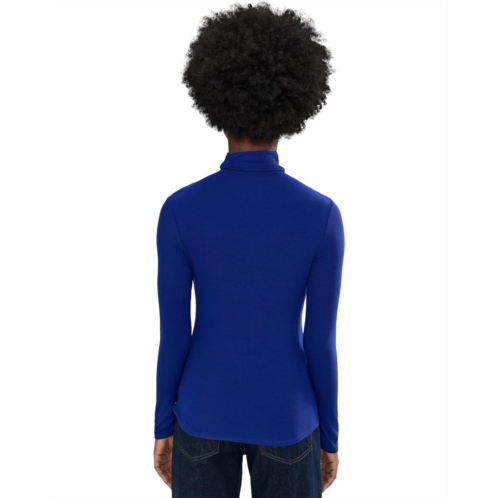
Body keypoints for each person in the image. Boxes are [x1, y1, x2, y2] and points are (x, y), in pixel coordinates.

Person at [153, 3, 344, 497]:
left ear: (216, 101)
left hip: (201, 415)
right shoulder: (321, 215)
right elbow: (320, 341)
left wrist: (162, 425)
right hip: (289, 419)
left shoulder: (180, 210)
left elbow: (174, 335)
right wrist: (329, 436)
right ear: (293, 105)